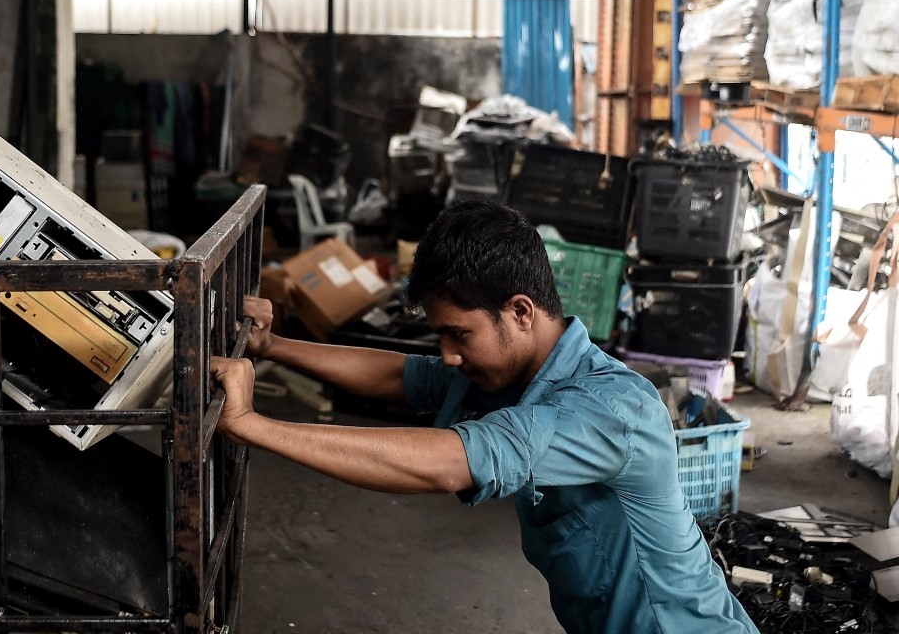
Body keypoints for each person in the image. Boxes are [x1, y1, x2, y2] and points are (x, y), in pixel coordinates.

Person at [210, 199, 757, 634]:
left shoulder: (610, 407)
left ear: (521, 311)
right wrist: (274, 346)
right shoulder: (509, 371)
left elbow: (450, 463)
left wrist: (252, 424)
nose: (448, 354)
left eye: (459, 334)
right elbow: (399, 375)